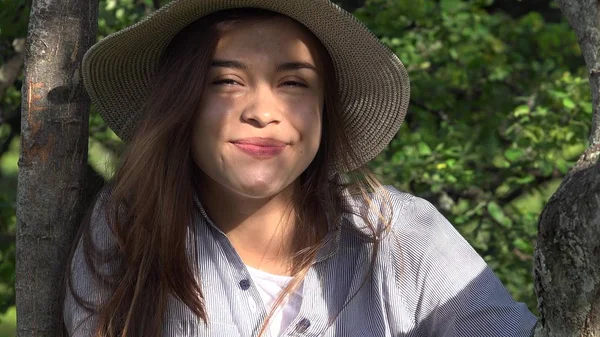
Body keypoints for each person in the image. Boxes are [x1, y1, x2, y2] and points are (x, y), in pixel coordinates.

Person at [61, 0, 537, 336]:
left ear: (324, 110)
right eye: (227, 80)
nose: (263, 112)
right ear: (181, 102)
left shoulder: (403, 233)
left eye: (293, 83)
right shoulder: (128, 234)